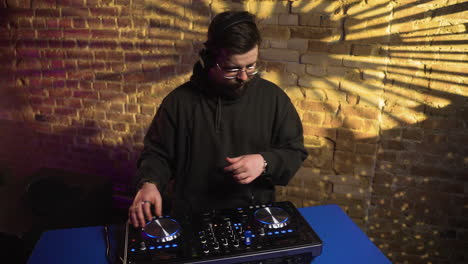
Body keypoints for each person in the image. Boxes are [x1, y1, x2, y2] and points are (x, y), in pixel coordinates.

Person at [128, 11, 308, 228]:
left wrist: (264, 161)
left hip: (254, 217)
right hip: (191, 218)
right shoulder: (178, 102)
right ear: (209, 60)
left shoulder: (273, 98)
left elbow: (294, 151)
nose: (243, 76)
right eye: (233, 69)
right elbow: (157, 154)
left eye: (251, 66)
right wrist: (149, 183)